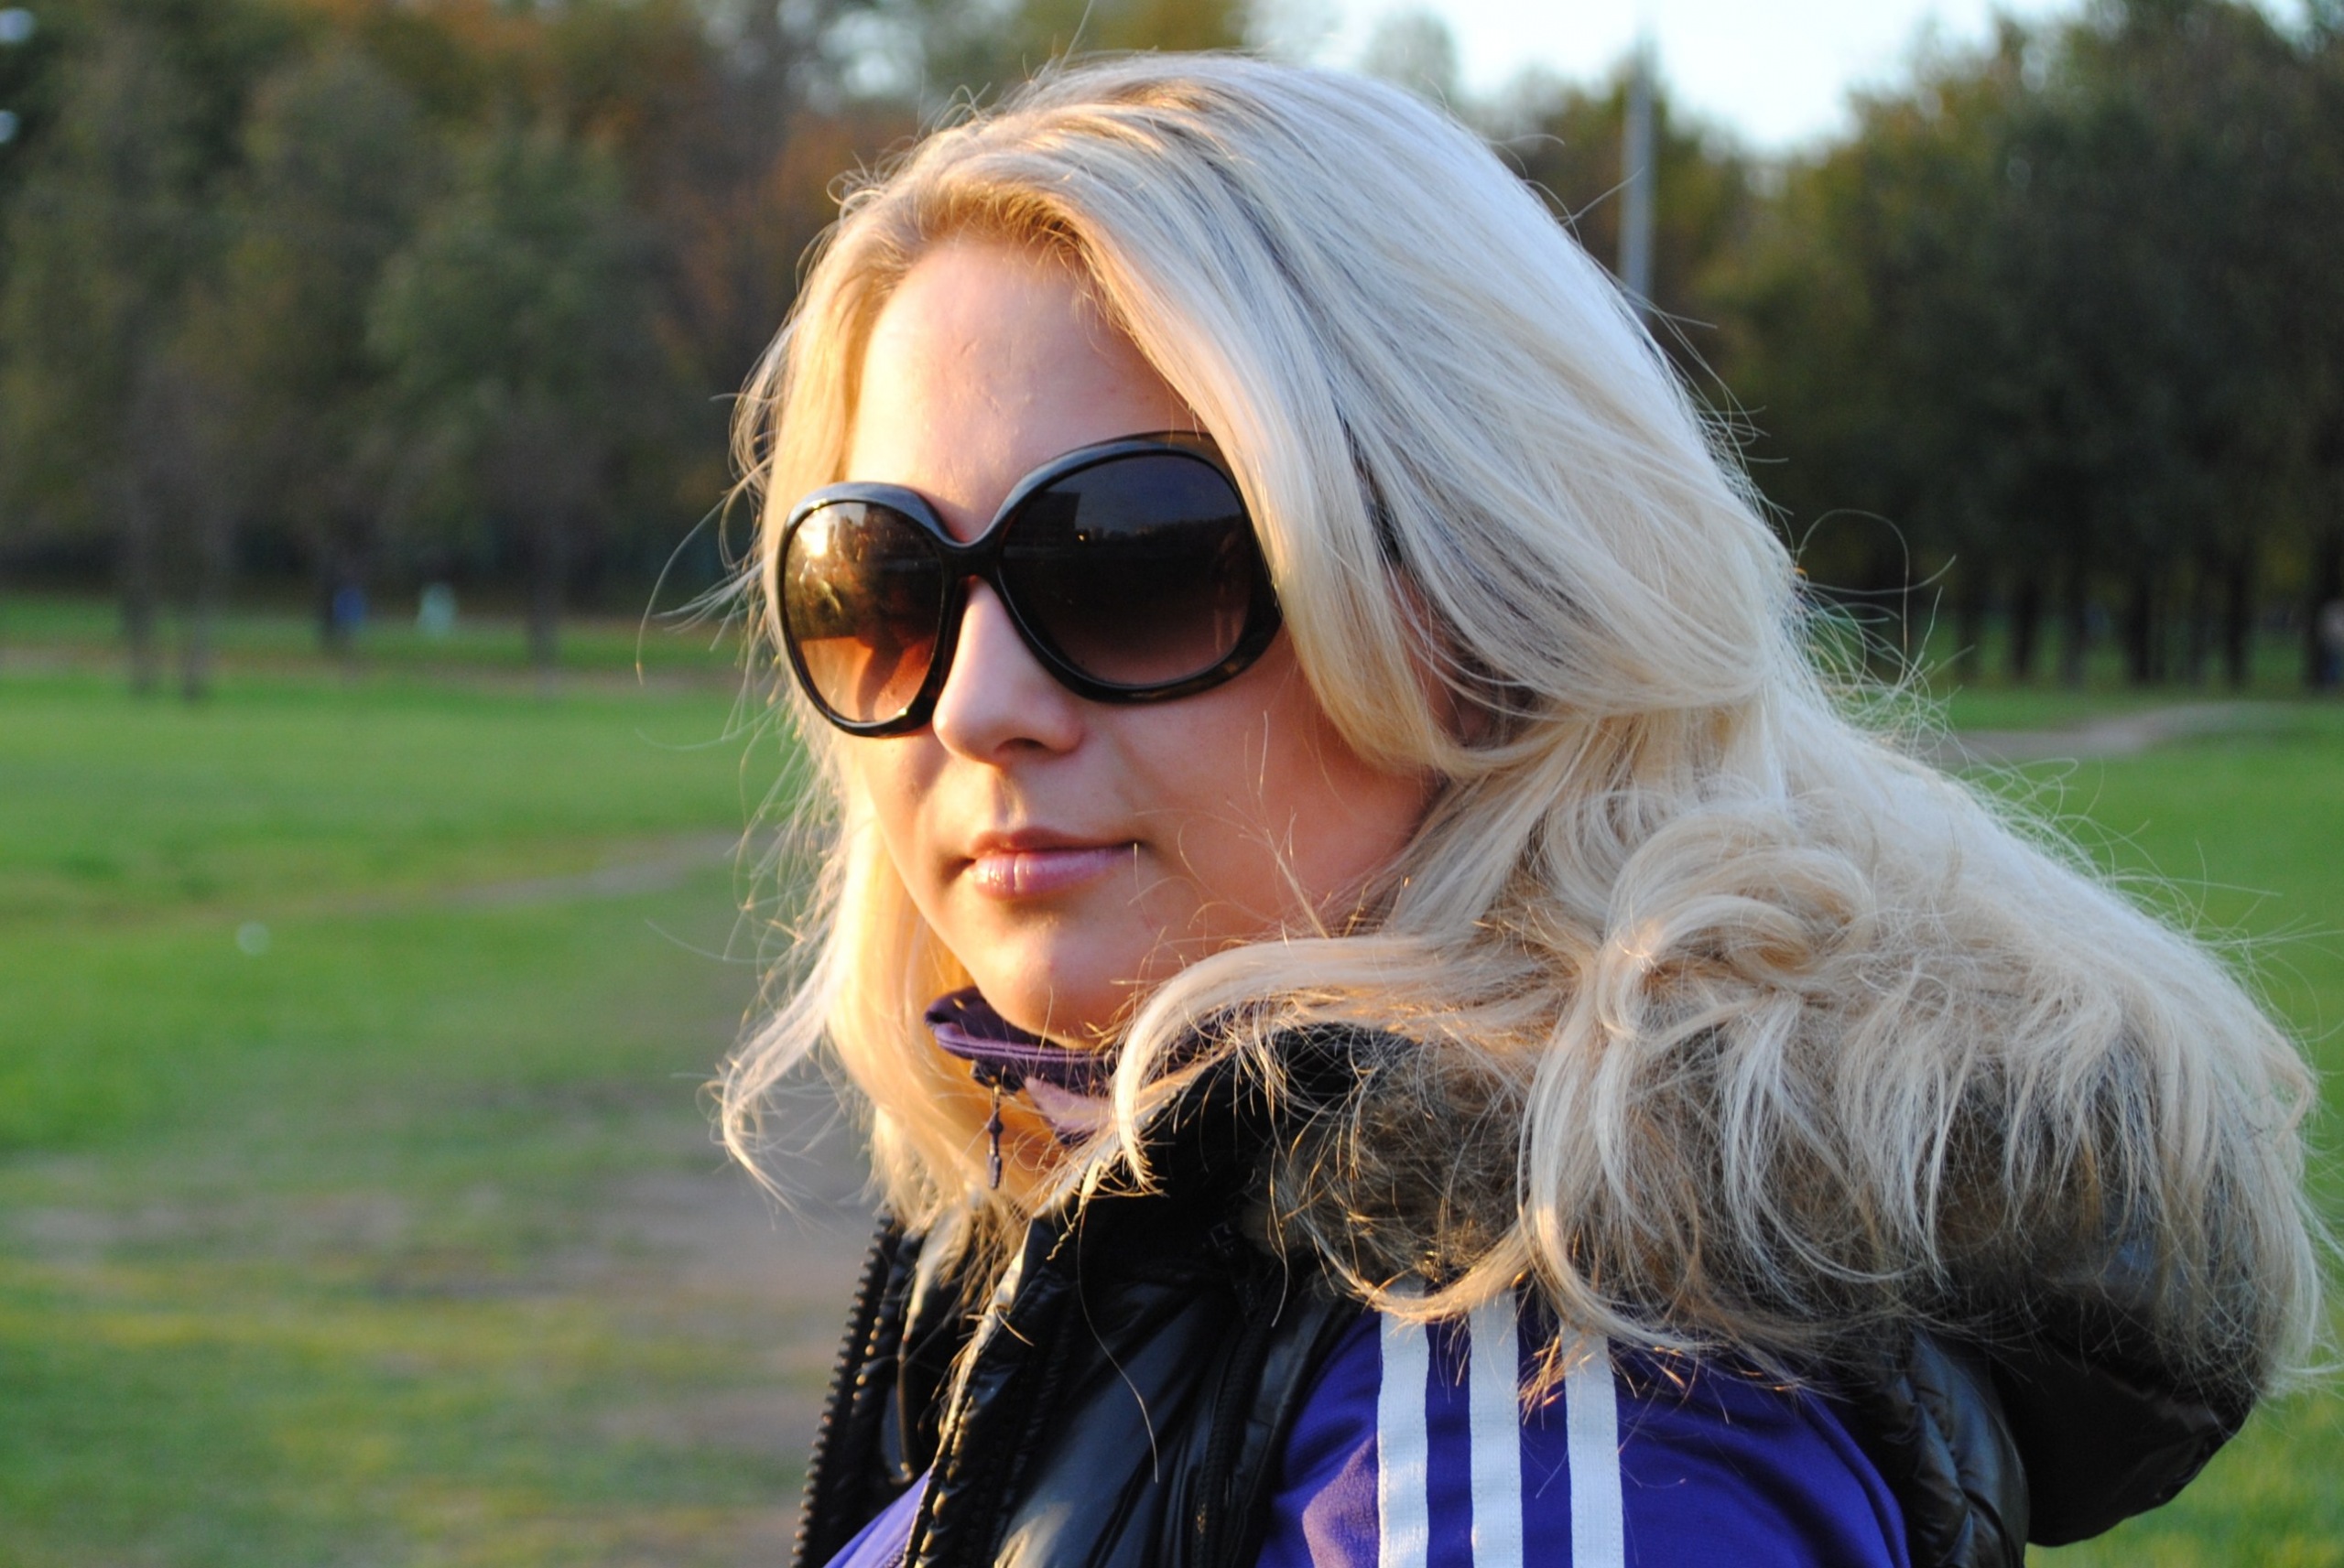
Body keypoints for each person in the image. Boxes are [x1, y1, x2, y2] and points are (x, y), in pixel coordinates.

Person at [720, 55, 2321, 1568]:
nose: (975, 701)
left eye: (1132, 560)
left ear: (1494, 609)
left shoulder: (1543, 1423)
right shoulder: (1124, 1215)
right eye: (886, 583)